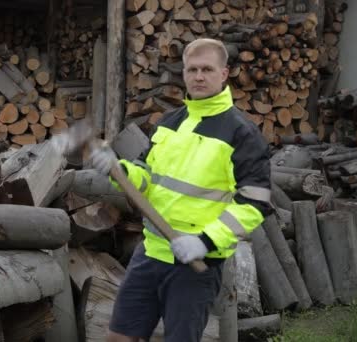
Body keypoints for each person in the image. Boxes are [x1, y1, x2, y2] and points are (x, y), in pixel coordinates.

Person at [90, 38, 271, 342]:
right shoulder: (169, 122)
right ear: (184, 73)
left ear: (224, 74)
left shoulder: (241, 133)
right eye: (192, 69)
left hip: (194, 265)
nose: (199, 76)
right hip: (150, 253)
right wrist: (117, 170)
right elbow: (146, 177)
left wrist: (204, 241)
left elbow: (255, 204)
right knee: (118, 337)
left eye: (207, 69)